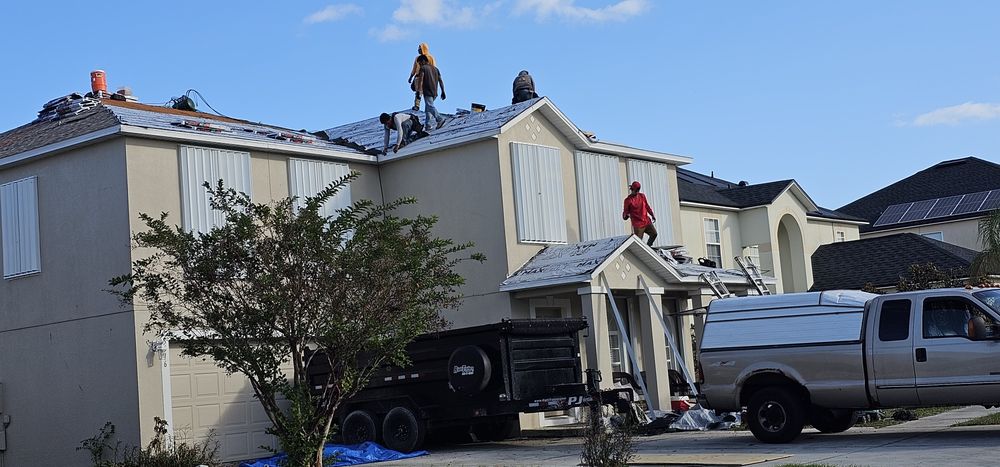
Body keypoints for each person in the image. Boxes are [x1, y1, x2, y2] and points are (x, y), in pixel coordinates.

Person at [415, 54, 447, 130]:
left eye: (419, 63)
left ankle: (439, 119)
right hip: (435, 92)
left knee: (429, 106)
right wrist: (443, 91)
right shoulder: (436, 69)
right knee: (428, 108)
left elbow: (421, 80)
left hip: (427, 91)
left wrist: (419, 91)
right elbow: (440, 81)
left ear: (423, 61)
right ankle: (428, 125)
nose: (419, 64)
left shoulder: (423, 68)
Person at [622, 181, 657, 246]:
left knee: (654, 234)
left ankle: (648, 247)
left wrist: (652, 215)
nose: (637, 192)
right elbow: (625, 212)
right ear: (632, 189)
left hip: (646, 220)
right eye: (636, 190)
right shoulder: (628, 200)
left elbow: (647, 206)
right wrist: (626, 216)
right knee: (638, 243)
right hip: (638, 225)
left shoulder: (642, 196)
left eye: (638, 190)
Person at [408, 43, 436, 111]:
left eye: (420, 48)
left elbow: (434, 68)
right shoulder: (417, 58)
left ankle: (430, 107)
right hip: (418, 77)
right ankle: (417, 105)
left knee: (427, 93)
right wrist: (411, 77)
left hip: (427, 77)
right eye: (418, 49)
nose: (418, 50)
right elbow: (414, 68)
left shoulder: (430, 58)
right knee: (418, 92)